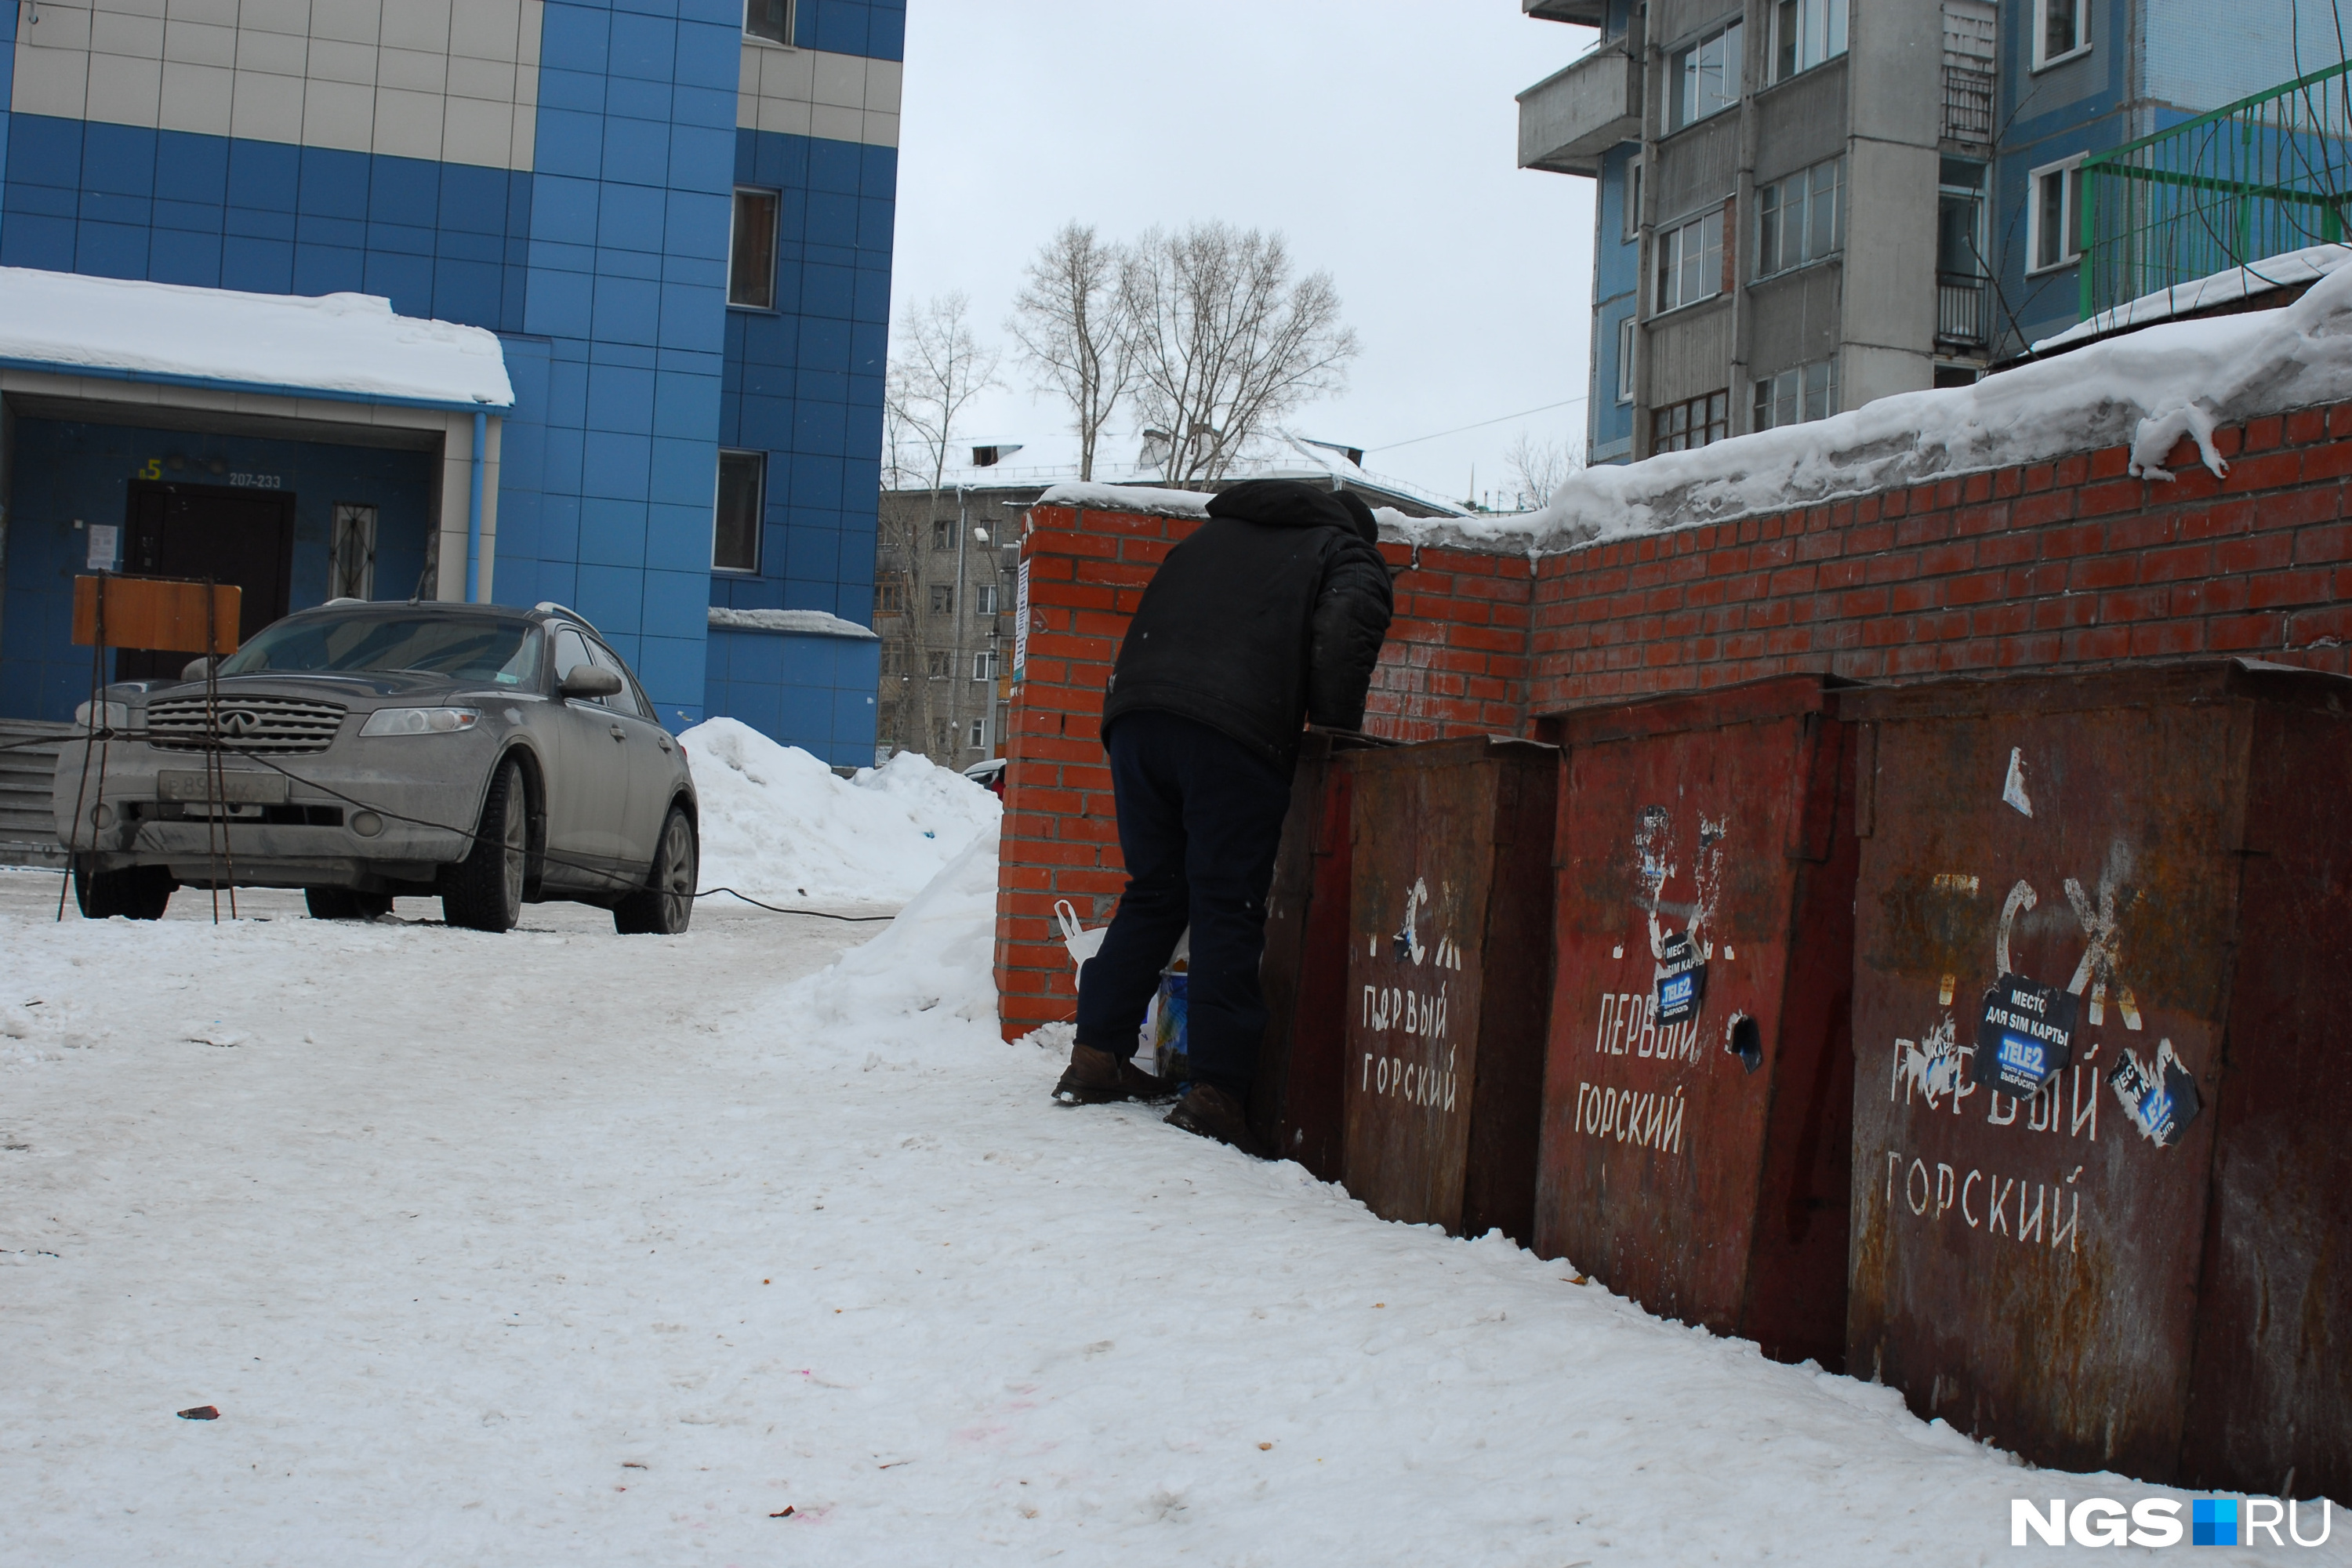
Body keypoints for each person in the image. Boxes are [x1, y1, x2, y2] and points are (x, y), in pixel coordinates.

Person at [1051, 478, 1394, 1152]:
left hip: (1134, 722)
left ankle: (1096, 1056)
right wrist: (1331, 737)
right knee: (1225, 901)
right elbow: (1342, 637)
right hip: (1228, 730)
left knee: (1157, 889)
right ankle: (1216, 1094)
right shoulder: (1347, 553)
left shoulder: (1210, 536)